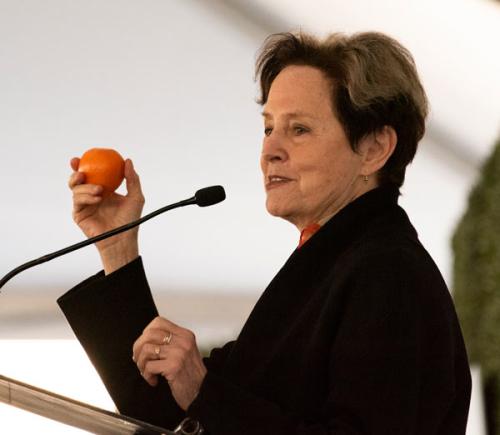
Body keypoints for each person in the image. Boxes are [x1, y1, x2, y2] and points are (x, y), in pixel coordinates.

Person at [59, 31, 471, 434]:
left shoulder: (388, 274)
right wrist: (117, 247)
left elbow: (210, 405)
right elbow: (163, 414)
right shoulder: (332, 263)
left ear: (373, 148)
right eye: (268, 127)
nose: (269, 150)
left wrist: (204, 390)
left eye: (299, 129)